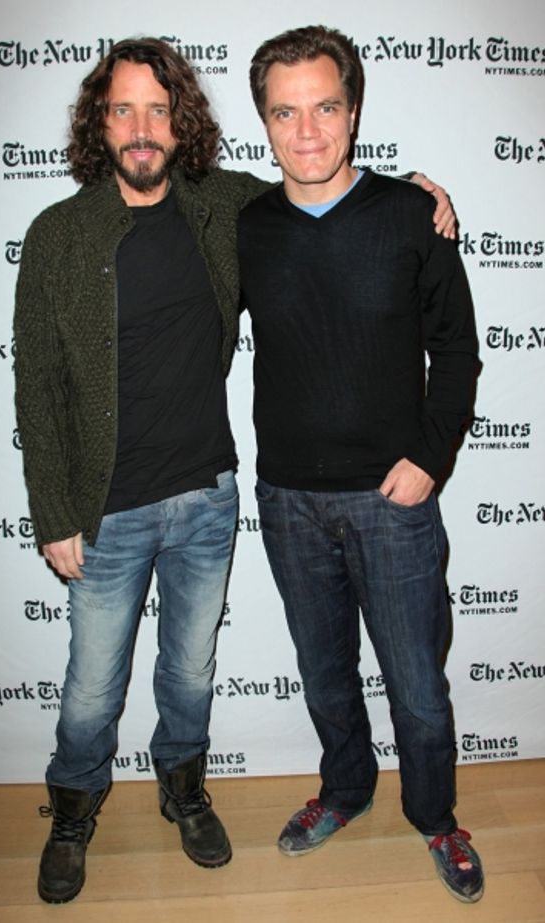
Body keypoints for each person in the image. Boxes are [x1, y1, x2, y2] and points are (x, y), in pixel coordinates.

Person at [14, 36, 456, 904]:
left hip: (207, 497)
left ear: (181, 122)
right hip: (103, 511)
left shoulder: (223, 207)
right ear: (97, 124)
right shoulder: (59, 235)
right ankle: (72, 814)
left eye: (157, 108)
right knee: (91, 689)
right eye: (122, 109)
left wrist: (420, 190)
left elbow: (323, 187)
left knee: (189, 675)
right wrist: (52, 510)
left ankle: (185, 793)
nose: (141, 127)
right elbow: (37, 384)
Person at [238, 25, 483, 905]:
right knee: (324, 672)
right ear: (263, 123)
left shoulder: (412, 215)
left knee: (417, 684)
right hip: (289, 499)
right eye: (285, 112)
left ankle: (436, 815)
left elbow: (456, 350)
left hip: (394, 499)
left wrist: (429, 455)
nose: (307, 132)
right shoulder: (242, 223)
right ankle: (345, 789)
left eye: (326, 107)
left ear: (354, 109)